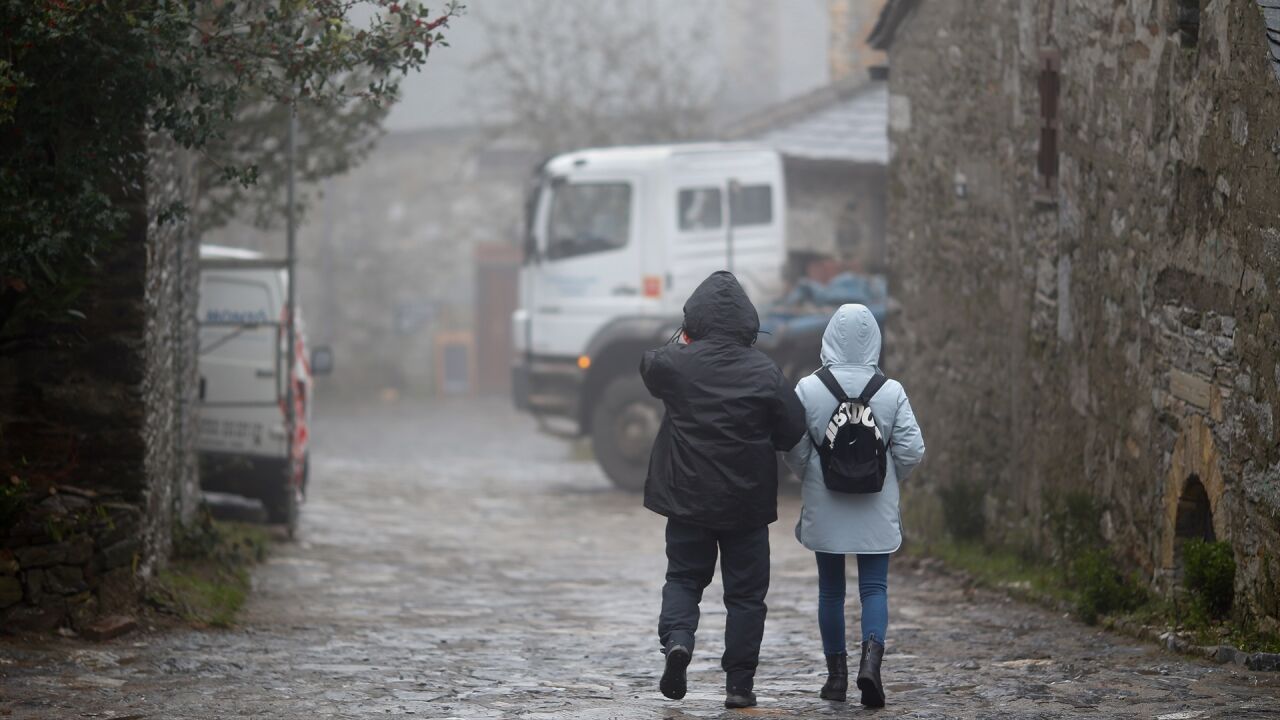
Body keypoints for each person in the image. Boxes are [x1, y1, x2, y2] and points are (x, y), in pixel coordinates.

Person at [640, 271, 807, 710]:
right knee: (746, 596)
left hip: (687, 499)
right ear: (748, 323)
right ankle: (739, 685)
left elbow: (649, 364)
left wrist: (683, 341)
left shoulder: (675, 365)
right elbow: (793, 429)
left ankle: (679, 641)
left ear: (693, 319)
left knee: (683, 578)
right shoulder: (766, 372)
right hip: (746, 505)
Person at [785, 303, 925, 708]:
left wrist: (812, 473)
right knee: (874, 588)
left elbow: (793, 447)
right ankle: (871, 666)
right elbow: (912, 450)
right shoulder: (891, 391)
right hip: (875, 505)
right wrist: (889, 476)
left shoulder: (808, 388)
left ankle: (836, 678)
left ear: (829, 336)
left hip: (825, 503)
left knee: (830, 590)